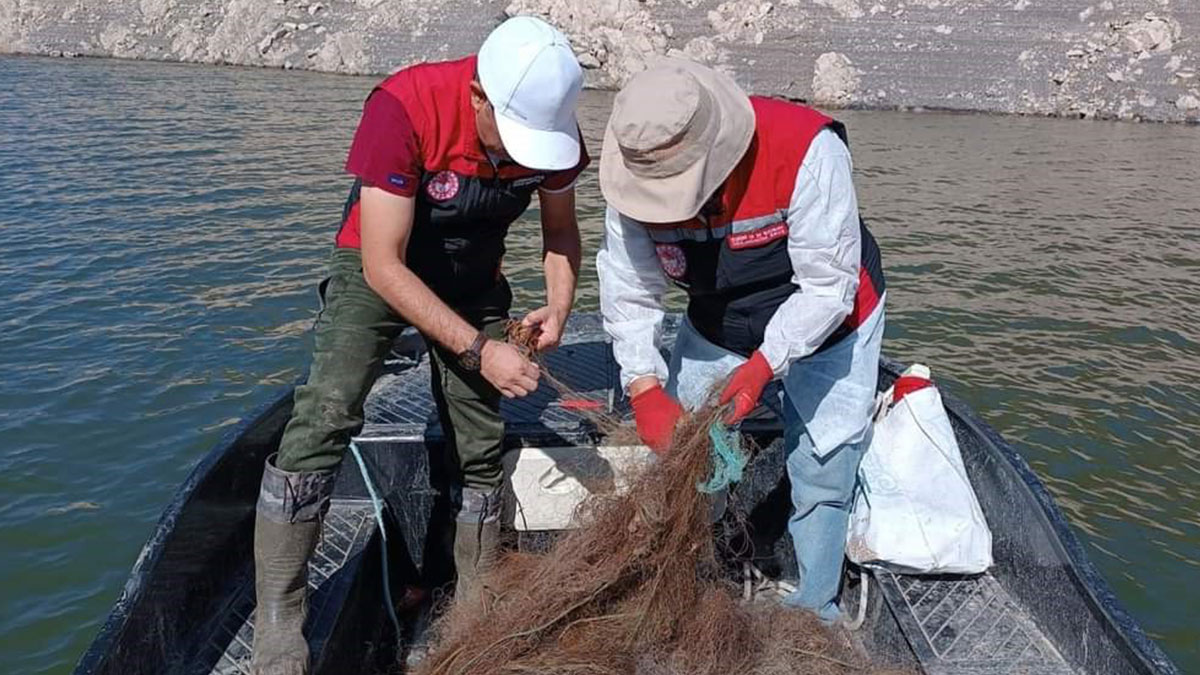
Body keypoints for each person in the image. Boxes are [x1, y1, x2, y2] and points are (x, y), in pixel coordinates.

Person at [250, 17, 588, 675]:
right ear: (478, 96)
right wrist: (481, 349)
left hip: (472, 273)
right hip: (379, 267)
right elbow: (382, 263)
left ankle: (478, 597)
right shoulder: (403, 108)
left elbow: (561, 233)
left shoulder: (557, 139)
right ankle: (278, 624)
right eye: (511, 138)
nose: (523, 156)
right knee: (327, 413)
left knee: (481, 431)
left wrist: (560, 304)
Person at [596, 59, 885, 624]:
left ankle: (814, 605)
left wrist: (764, 366)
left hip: (834, 317)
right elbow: (629, 291)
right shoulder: (634, 174)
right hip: (717, 318)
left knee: (824, 459)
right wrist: (643, 385)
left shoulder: (805, 149)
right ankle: (697, 574)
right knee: (685, 456)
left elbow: (828, 288)